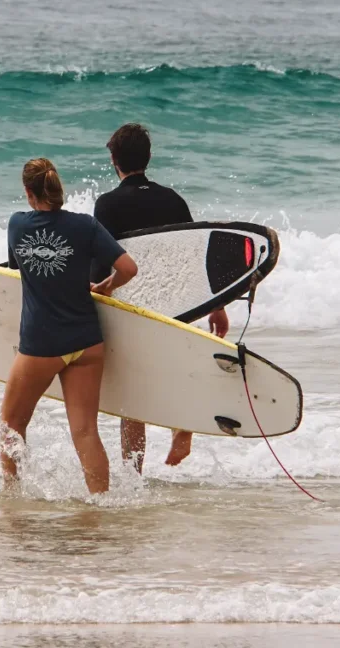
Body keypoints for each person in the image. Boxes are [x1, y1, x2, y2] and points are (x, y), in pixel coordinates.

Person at [92, 123, 229, 472]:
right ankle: (181, 426)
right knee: (173, 369)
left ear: (113, 160)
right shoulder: (173, 200)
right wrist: (217, 305)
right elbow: (197, 255)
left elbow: (101, 261)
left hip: (132, 304)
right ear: (148, 158)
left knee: (133, 394)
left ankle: (132, 472)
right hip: (176, 301)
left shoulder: (107, 204)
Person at [1, 158, 138, 494]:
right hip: (87, 342)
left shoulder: (17, 225)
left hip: (42, 345)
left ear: (29, 192)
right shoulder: (86, 226)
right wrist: (106, 287)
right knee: (86, 432)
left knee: (11, 427)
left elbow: (16, 269)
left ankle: (13, 498)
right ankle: (101, 505)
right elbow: (129, 268)